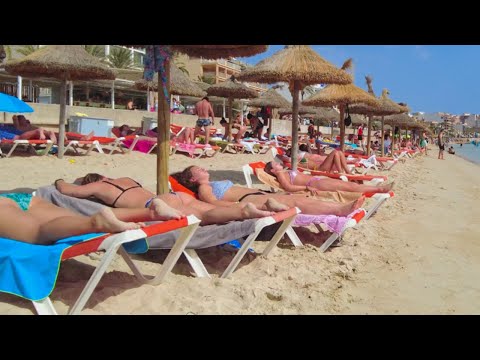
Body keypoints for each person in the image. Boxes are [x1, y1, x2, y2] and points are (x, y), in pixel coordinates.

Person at [54, 175, 288, 226]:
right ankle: (262, 204)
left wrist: (60, 180)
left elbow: (68, 191)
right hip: (176, 196)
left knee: (205, 217)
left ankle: (245, 211)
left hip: (160, 202)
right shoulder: (125, 179)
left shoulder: (99, 186)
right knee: (209, 209)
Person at [0, 191, 183, 245]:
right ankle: (151, 212)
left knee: (38, 234)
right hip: (23, 199)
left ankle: (95, 223)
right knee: (74, 220)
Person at [171, 166, 366, 217]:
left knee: (297, 199)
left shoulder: (210, 182)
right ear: (192, 179)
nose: (203, 169)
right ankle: (338, 210)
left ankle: (339, 207)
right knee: (296, 203)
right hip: (248, 200)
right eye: (198, 169)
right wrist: (236, 206)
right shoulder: (204, 187)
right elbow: (211, 204)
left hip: (256, 195)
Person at [264, 161, 393, 194]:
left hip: (316, 180)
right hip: (314, 184)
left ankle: (376, 189)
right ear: (273, 170)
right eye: (275, 164)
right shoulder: (280, 174)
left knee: (348, 185)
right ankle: (379, 190)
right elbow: (288, 187)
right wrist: (306, 187)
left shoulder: (284, 172)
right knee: (348, 187)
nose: (278, 163)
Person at [279, 145, 353, 174]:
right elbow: (284, 158)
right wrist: (286, 154)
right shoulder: (296, 162)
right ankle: (342, 172)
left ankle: (346, 171)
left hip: (321, 166)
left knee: (338, 152)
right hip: (320, 168)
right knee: (335, 152)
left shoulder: (299, 160)